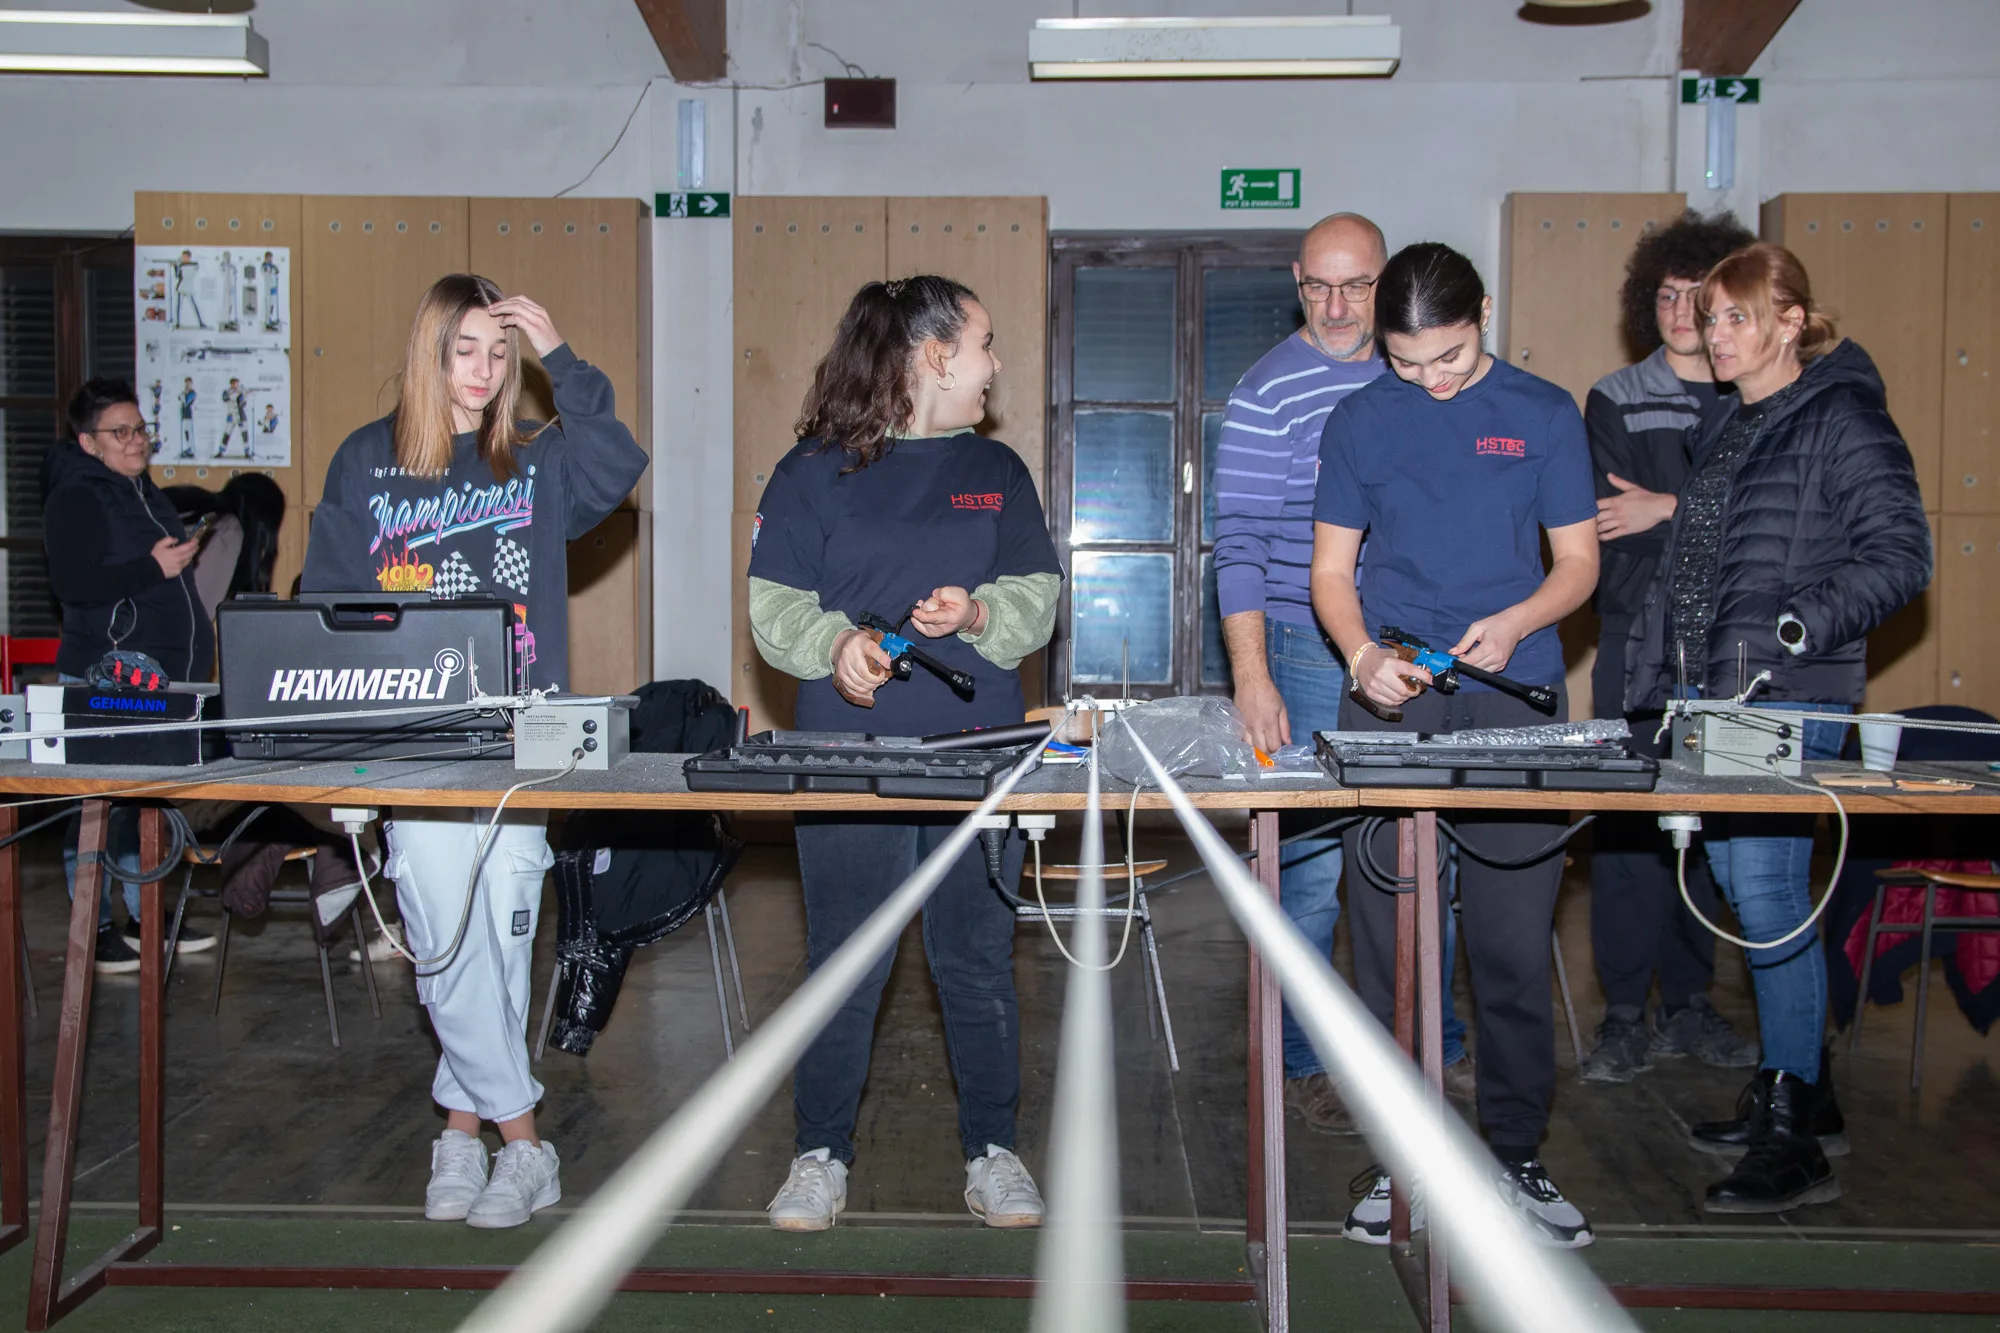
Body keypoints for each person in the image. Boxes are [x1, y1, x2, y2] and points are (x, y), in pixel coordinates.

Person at [303, 273, 648, 1229]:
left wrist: (563, 357)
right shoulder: (366, 459)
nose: (485, 371)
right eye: (465, 350)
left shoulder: (535, 459)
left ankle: (461, 1132)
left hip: (521, 740)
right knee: (446, 941)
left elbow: (617, 465)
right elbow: (322, 602)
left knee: (500, 937)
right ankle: (526, 1142)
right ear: (430, 351)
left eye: (501, 354)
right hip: (413, 745)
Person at [749, 275, 1062, 1234]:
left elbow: (1038, 598)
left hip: (979, 753)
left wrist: (979, 612)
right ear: (933, 355)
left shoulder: (997, 470)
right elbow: (774, 608)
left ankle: (994, 1151)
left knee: (975, 960)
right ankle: (819, 1155)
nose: (994, 364)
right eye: (985, 343)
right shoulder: (811, 470)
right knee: (846, 959)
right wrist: (836, 646)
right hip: (849, 754)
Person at [1626, 243, 1931, 1213]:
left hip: (1785, 695)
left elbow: (1902, 553)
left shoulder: (1840, 414)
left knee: (1765, 893)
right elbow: (1695, 571)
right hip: (1716, 697)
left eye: (1736, 317)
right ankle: (1801, 1086)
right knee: (1740, 883)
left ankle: (1792, 1132)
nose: (1713, 335)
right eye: (1707, 318)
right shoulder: (1734, 421)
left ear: (1790, 321)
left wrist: (1796, 625)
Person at [1311, 242, 1601, 1248]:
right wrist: (1359, 658)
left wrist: (1518, 620)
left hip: (1513, 696)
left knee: (1511, 946)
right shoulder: (1360, 420)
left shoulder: (1543, 413)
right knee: (1390, 948)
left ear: (1482, 314)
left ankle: (1514, 1154)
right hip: (1392, 702)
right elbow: (1331, 572)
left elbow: (1577, 562)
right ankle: (1404, 1161)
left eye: (1449, 356)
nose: (1429, 379)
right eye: (1405, 361)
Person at [1213, 213, 1470, 1133]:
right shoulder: (1266, 393)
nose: (1334, 307)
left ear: (1386, 282)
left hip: (1419, 647)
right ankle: (1305, 1061)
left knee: (1425, 857)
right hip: (1307, 648)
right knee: (1311, 873)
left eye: (1356, 286)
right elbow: (1238, 543)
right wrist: (1252, 676)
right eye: (1318, 287)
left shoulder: (1425, 372)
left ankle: (1433, 1046)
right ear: (1296, 282)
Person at [1579, 211, 1759, 1083]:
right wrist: (1695, 521)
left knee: (1710, 830)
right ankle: (1622, 1014)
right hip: (1634, 641)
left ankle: (1690, 1003)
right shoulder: (1617, 397)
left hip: (1731, 650)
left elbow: (1767, 534)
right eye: (1665, 295)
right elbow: (1611, 529)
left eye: (1698, 295)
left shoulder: (1755, 395)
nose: (1681, 312)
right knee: (1627, 832)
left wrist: (1670, 509)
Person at [43, 378, 217, 972]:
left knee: (143, 807)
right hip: (106, 678)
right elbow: (73, 585)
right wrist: (151, 568)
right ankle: (92, 931)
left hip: (159, 679)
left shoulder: (143, 492)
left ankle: (146, 917)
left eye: (140, 428)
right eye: (120, 432)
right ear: (88, 442)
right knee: (97, 809)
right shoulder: (77, 497)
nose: (136, 440)